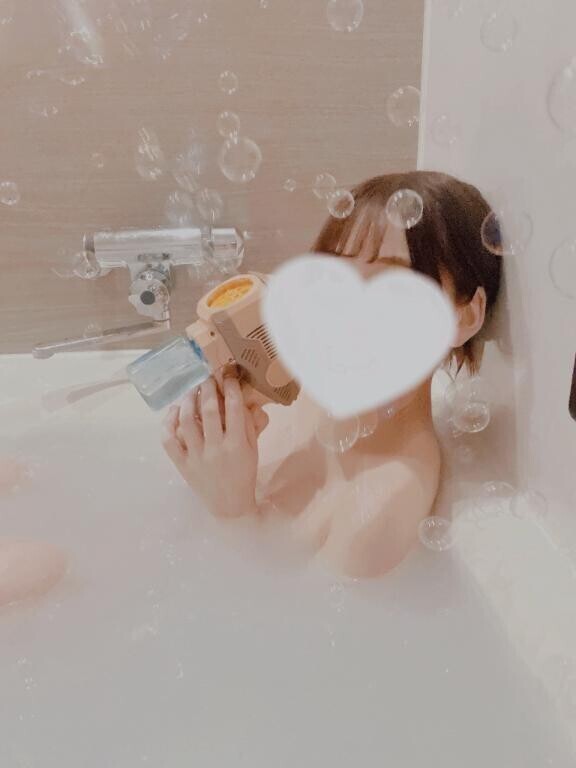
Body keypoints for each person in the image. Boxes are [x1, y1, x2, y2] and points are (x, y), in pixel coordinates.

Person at [161, 171, 502, 578]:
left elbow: (258, 611)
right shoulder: (299, 397)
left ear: (465, 316)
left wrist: (233, 516)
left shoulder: (379, 513)